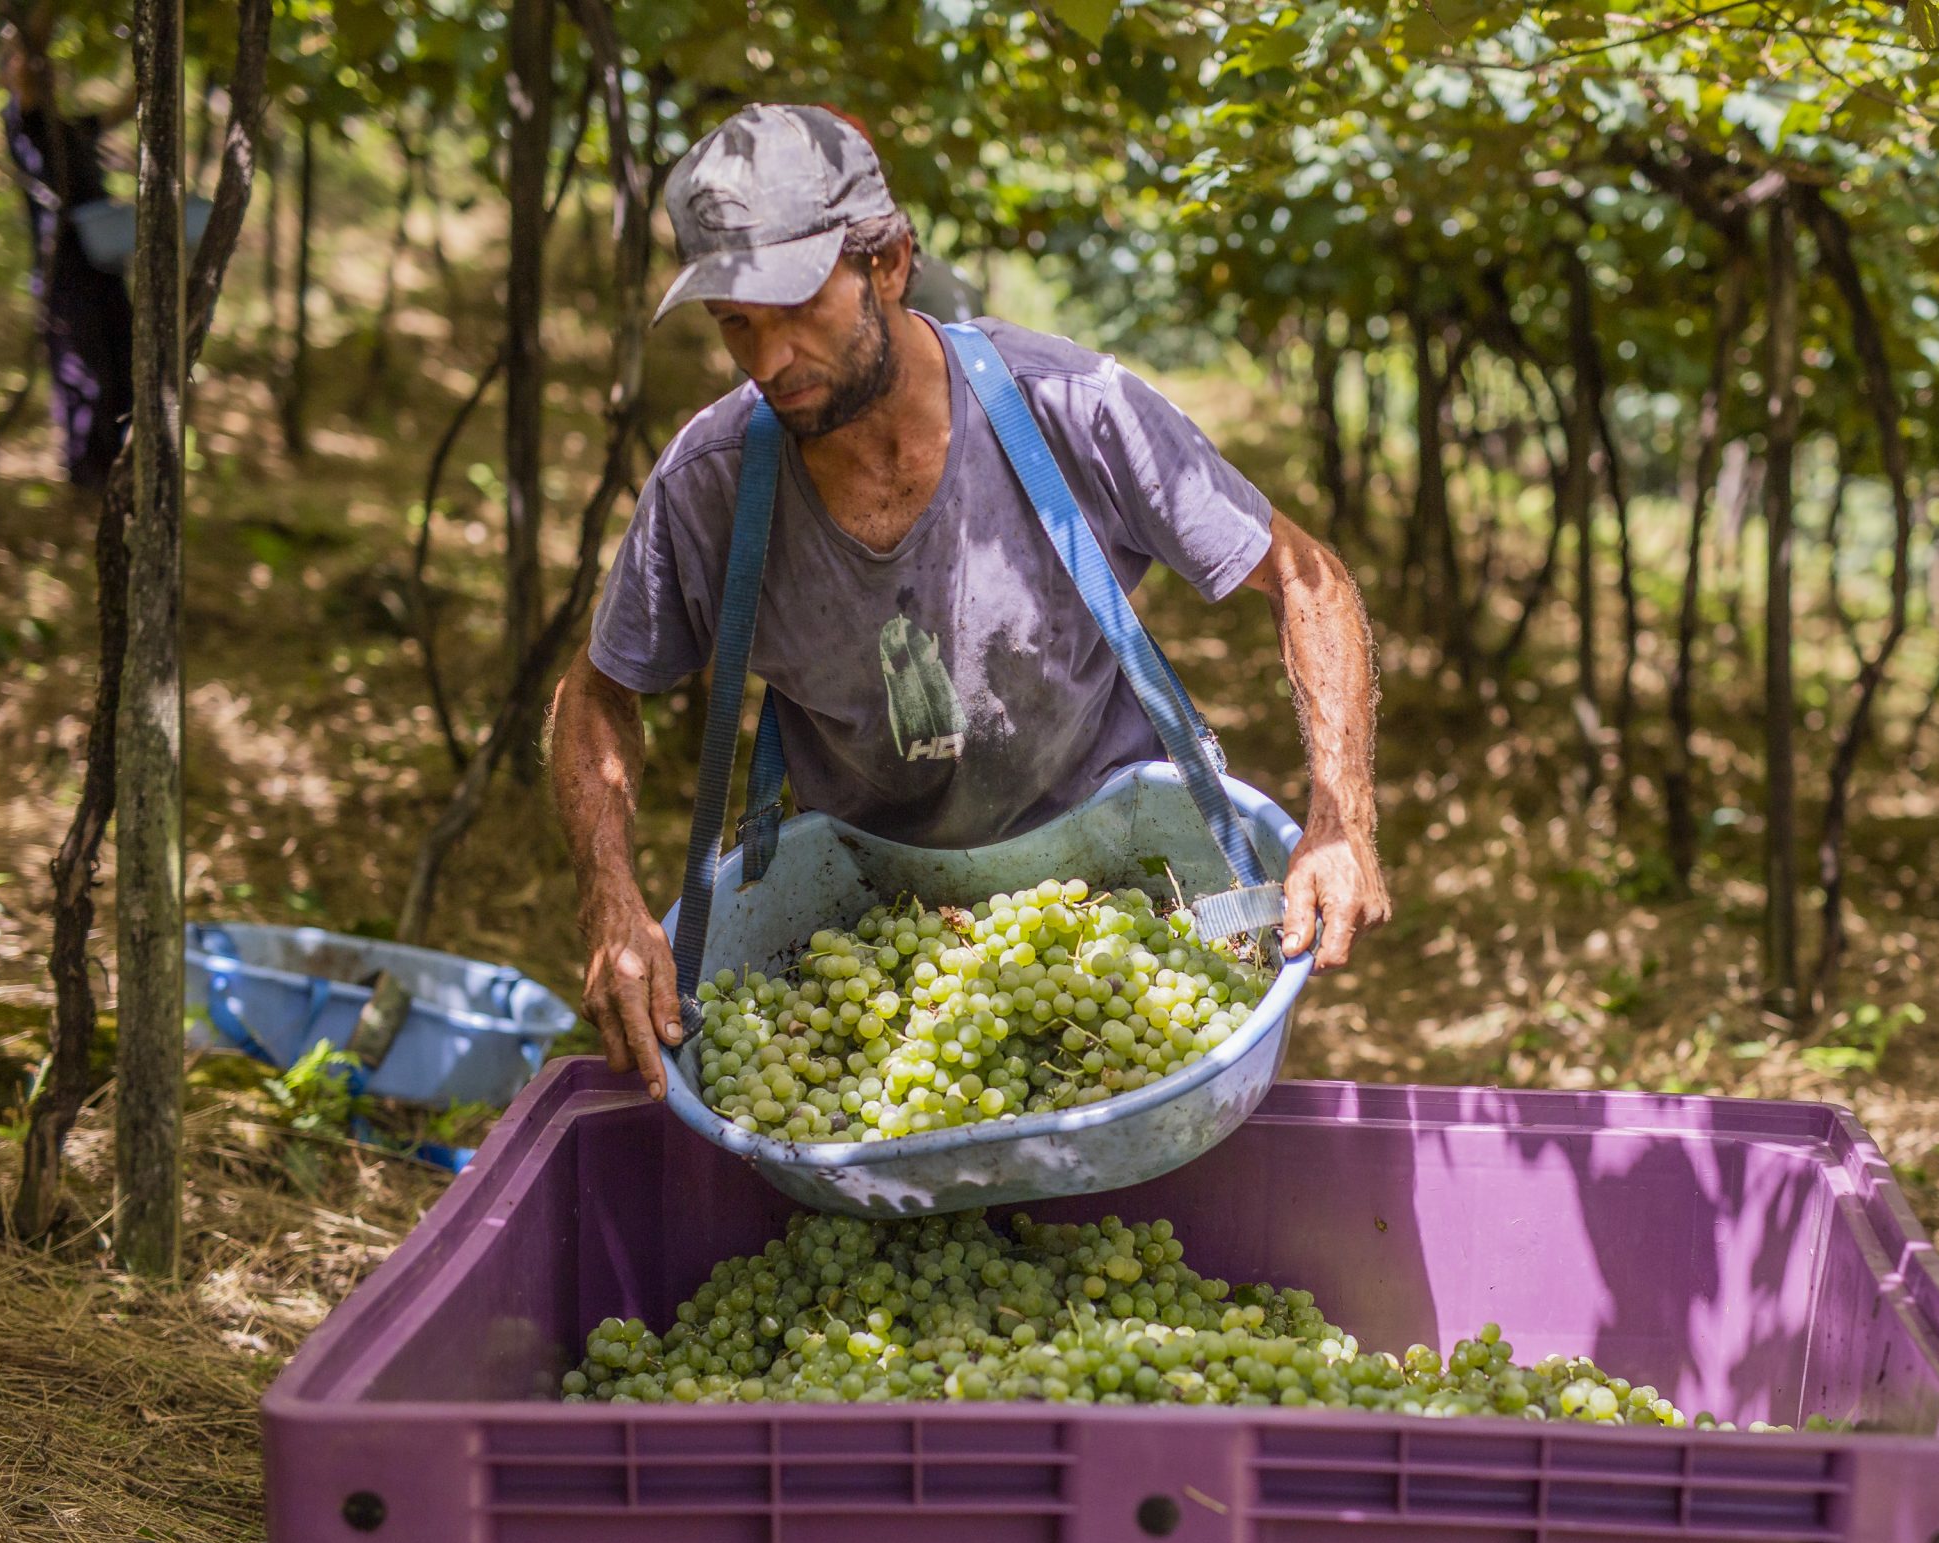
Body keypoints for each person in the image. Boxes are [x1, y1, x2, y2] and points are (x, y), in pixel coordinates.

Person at [552, 104, 1390, 1098]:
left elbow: (1306, 578)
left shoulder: (1073, 408)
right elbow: (594, 695)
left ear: (891, 263)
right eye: (735, 323)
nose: (767, 358)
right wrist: (609, 899)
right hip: (869, 929)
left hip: (1123, 905)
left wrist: (1342, 821)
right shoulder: (713, 483)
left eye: (797, 309)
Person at [0, 28, 135, 490]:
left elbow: (124, 108)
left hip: (103, 267)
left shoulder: (70, 128)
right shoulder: (26, 124)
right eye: (24, 61)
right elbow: (29, 45)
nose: (39, 67)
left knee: (122, 369)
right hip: (65, 278)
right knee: (85, 377)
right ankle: (88, 480)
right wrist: (33, 27)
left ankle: (118, 469)